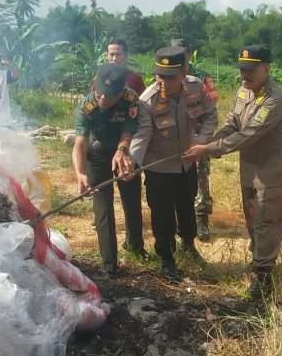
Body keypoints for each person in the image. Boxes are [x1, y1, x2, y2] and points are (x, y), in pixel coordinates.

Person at [183, 45, 282, 299]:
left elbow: (248, 135)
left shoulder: (276, 98)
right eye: (242, 70)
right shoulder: (244, 91)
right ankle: (258, 263)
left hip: (271, 170)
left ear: (266, 68)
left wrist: (207, 149)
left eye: (251, 70)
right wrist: (213, 142)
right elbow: (233, 122)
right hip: (250, 167)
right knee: (253, 219)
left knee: (267, 220)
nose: (245, 76)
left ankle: (263, 278)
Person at [130, 47, 217, 282]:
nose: (164, 82)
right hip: (159, 167)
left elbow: (210, 114)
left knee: (187, 208)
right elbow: (142, 135)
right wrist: (132, 161)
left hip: (186, 165)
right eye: (160, 76)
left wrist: (201, 141)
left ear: (183, 72)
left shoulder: (196, 87)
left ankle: (188, 245)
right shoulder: (147, 101)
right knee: (162, 215)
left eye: (170, 76)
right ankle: (167, 259)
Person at [72, 64, 147, 277]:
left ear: (120, 91)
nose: (103, 99)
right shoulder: (87, 105)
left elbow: (129, 129)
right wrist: (80, 172)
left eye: (110, 96)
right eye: (100, 93)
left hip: (125, 152)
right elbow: (80, 143)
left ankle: (135, 247)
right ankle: (109, 264)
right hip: (97, 155)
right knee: (103, 206)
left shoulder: (130, 98)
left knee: (131, 199)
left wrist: (122, 151)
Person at [170, 38, 219, 242]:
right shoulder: (165, 74)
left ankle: (201, 220)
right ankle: (177, 222)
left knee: (201, 180)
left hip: (198, 140)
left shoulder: (201, 78)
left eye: (182, 52)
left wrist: (202, 139)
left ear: (189, 53)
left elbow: (211, 108)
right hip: (173, 142)